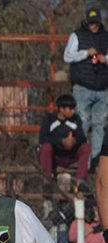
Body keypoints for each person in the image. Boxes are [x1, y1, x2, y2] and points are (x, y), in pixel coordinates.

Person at [64, 7, 108, 169]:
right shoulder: (77, 35)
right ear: (86, 22)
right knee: (82, 122)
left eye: (96, 23)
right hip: (82, 86)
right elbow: (67, 55)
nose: (93, 26)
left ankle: (95, 160)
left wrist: (105, 59)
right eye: (91, 23)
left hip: (103, 87)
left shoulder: (106, 36)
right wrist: (85, 53)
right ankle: (82, 160)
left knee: (99, 124)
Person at [37, 94, 90, 183]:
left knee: (86, 147)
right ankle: (47, 180)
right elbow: (43, 138)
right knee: (46, 147)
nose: (73, 111)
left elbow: (82, 137)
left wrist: (74, 141)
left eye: (74, 109)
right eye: (70, 109)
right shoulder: (48, 119)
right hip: (55, 155)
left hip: (71, 155)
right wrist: (61, 141)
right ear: (61, 109)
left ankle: (81, 181)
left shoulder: (76, 119)